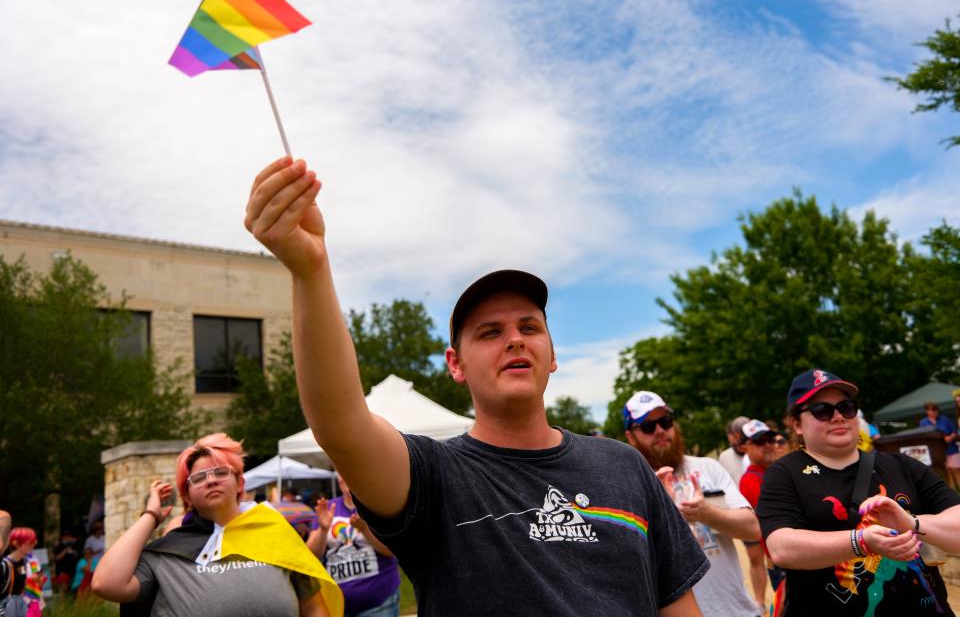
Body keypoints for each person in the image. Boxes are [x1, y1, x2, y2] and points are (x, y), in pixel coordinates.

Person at [245, 156, 708, 616]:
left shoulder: (624, 466)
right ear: (456, 365)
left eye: (530, 327)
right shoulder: (435, 476)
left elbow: (677, 607)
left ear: (553, 353)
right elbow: (341, 424)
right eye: (489, 333)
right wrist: (311, 270)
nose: (514, 340)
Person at [757, 368, 960, 616]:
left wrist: (911, 522)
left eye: (846, 407)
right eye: (823, 410)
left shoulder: (902, 465)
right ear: (797, 423)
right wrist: (861, 541)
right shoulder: (783, 474)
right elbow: (781, 548)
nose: (838, 416)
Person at [92, 432, 342, 617]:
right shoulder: (167, 552)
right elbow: (106, 584)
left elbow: (313, 608)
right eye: (199, 478)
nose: (211, 481)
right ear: (187, 496)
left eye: (221, 472)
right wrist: (150, 515)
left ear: (240, 484)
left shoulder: (275, 531)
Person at [624, 391, 762, 617]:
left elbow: (752, 529)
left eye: (665, 422)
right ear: (631, 437)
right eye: (648, 426)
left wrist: (706, 513)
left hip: (736, 611)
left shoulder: (709, 467)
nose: (660, 430)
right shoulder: (628, 484)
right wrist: (658, 508)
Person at [311, 475, 401, 617]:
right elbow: (311, 555)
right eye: (340, 472)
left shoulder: (377, 505)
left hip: (378, 605)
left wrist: (365, 529)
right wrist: (323, 529)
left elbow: (391, 550)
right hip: (337, 607)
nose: (345, 476)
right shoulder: (327, 509)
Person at [737, 419, 786, 611]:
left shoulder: (775, 471)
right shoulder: (750, 480)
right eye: (759, 442)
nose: (767, 445)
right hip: (782, 563)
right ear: (745, 447)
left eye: (769, 440)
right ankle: (759, 602)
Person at [1, 526, 41, 617]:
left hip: (22, 603)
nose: (34, 544)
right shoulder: (4, 565)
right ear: (16, 543)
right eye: (29, 542)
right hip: (7, 606)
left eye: (34, 542)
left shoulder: (27, 561)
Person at [920, 401, 959, 489]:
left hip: (951, 449)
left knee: (956, 470)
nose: (934, 412)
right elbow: (923, 437)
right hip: (937, 452)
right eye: (932, 410)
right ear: (927, 411)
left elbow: (954, 431)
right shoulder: (923, 423)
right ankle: (951, 491)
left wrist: (950, 437)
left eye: (936, 409)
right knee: (945, 472)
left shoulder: (945, 419)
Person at [718, 416, 750, 483]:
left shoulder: (758, 454)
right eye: (734, 445)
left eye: (741, 443)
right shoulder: (724, 457)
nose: (739, 447)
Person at [53, 527, 81, 593]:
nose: (68, 538)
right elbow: (57, 558)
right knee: (63, 591)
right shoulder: (59, 546)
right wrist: (65, 551)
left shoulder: (74, 545)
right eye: (67, 536)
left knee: (71, 591)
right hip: (63, 572)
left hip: (73, 572)